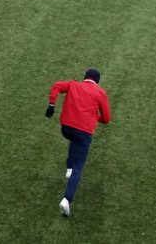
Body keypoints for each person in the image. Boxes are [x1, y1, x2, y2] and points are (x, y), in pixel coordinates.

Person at [46, 68, 111, 218]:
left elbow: (56, 86)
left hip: (66, 128)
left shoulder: (73, 85)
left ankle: (68, 168)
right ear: (97, 81)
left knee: (74, 140)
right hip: (83, 133)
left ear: (85, 77)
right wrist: (95, 117)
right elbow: (106, 119)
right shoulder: (100, 93)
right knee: (79, 167)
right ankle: (66, 199)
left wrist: (51, 104)